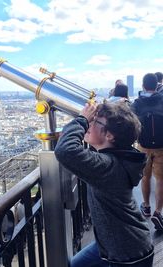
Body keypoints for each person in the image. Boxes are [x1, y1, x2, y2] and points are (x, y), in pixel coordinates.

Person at [55, 102, 154, 267]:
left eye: (94, 122)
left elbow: (65, 151)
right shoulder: (116, 158)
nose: (90, 124)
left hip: (127, 254)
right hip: (115, 243)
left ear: (110, 136)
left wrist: (82, 120)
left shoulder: (107, 165)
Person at [131, 73, 163, 230]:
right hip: (161, 146)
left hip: (143, 146)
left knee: (145, 177)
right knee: (161, 180)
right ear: (157, 85)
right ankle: (158, 211)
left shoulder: (137, 103)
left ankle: (146, 206)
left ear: (143, 86)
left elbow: (131, 122)